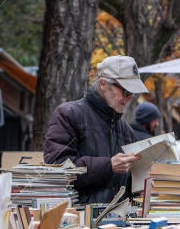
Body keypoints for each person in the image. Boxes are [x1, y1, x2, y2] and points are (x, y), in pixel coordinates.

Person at [43, 55, 146, 204]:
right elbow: (57, 170)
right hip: (77, 219)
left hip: (118, 223)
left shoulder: (126, 131)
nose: (129, 97)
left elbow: (128, 188)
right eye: (125, 91)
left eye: (133, 93)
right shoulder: (69, 114)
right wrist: (107, 166)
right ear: (103, 84)